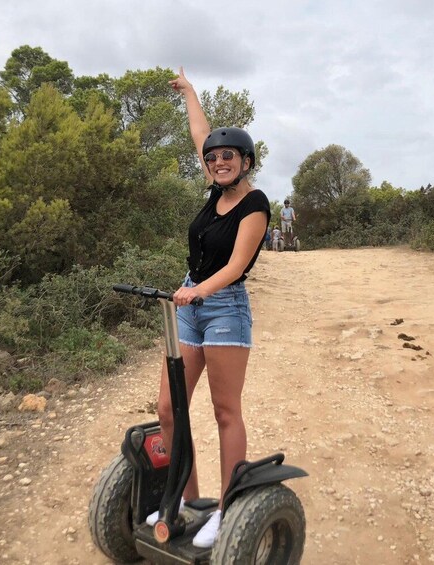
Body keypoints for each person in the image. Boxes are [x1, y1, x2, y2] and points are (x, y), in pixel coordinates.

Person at [146, 67, 270, 548]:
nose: (218, 162)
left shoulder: (254, 204)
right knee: (169, 408)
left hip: (224, 308)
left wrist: (199, 291)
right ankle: (184, 499)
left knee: (224, 411)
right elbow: (201, 133)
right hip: (189, 301)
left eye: (228, 157)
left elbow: (237, 266)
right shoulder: (215, 189)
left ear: (245, 161)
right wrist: (190, 93)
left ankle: (227, 508)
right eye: (213, 158)